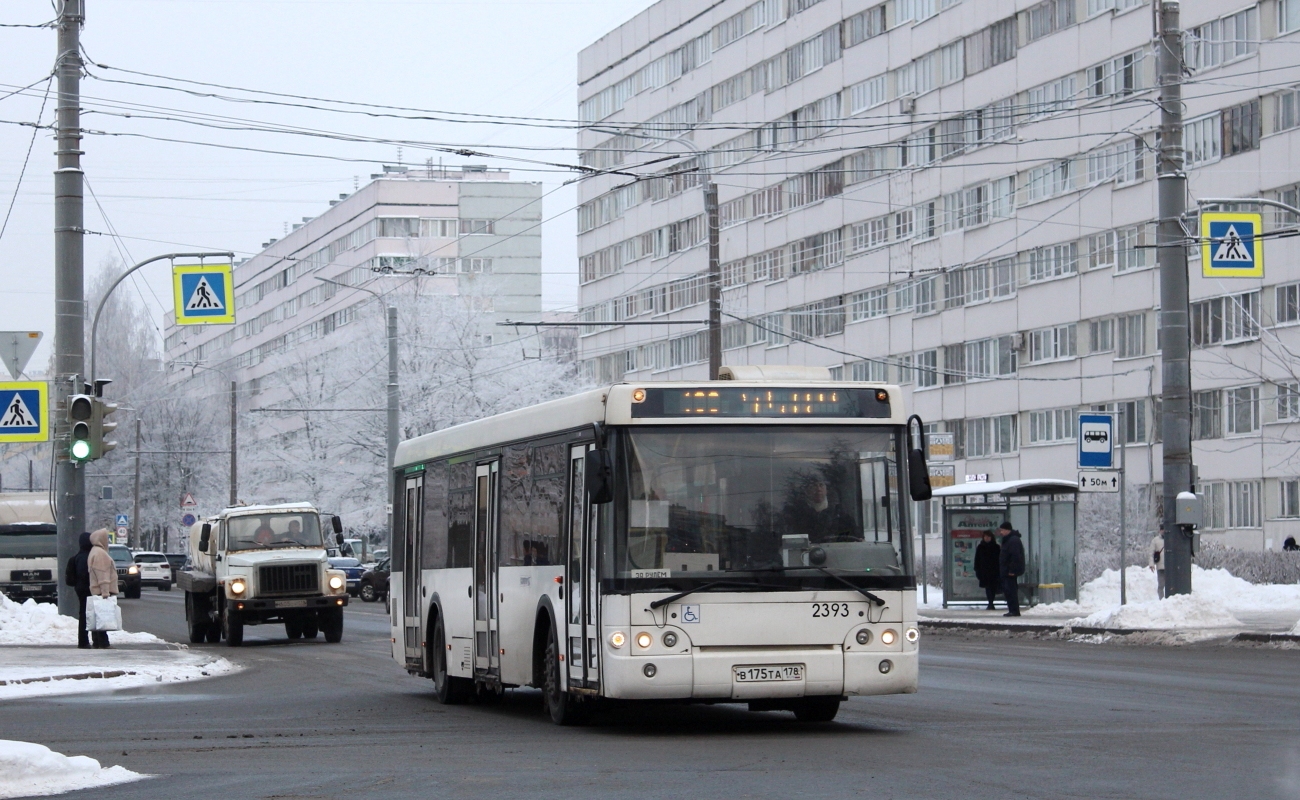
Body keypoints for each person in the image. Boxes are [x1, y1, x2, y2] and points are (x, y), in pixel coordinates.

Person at [85, 529, 118, 649]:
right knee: (102, 616)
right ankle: (102, 642)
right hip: (100, 591)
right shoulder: (100, 554)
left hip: (95, 590)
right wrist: (105, 591)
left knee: (98, 616)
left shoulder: (94, 551)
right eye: (106, 538)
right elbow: (102, 573)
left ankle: (98, 641)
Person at [63, 532, 94, 649]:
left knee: (83, 614)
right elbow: (85, 574)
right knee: (91, 615)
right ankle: (90, 640)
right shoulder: (89, 557)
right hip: (89, 588)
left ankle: (83, 640)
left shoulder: (76, 557)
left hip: (80, 589)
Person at [998, 522, 1025, 617]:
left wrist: (1012, 570)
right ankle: (1012, 610)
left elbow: (1015, 556)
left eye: (1002, 530)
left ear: (1007, 530)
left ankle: (1014, 610)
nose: (1001, 532)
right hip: (1007, 570)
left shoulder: (1013, 540)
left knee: (1011, 590)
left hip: (1010, 571)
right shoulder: (1008, 540)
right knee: (1008, 590)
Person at [974, 530, 1002, 611]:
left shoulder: (996, 547)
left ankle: (991, 602)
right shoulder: (980, 547)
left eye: (988, 537)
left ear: (991, 537)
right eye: (985, 536)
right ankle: (990, 603)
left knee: (992, 587)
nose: (987, 538)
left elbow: (999, 559)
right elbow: (977, 559)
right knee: (987, 587)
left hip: (994, 571)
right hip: (984, 571)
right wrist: (977, 569)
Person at [1150, 528, 1166, 599]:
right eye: (1162, 529)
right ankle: (1161, 599)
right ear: (1160, 530)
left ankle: (1170, 600)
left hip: (1171, 566)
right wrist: (1151, 564)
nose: (1163, 531)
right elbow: (1151, 553)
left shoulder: (1172, 538)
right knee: (1161, 585)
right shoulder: (1155, 540)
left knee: (1171, 585)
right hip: (1160, 566)